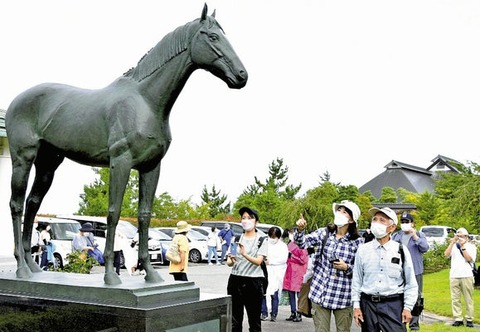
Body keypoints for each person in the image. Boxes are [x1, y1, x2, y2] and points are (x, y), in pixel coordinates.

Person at [295, 200, 364, 332]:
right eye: (339, 210)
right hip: (320, 292)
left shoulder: (357, 242)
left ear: (351, 220)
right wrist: (300, 230)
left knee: (343, 330)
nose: (340, 213)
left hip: (343, 296)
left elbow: (362, 271)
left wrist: (347, 267)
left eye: (345, 212)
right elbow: (302, 243)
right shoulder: (324, 233)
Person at [352, 207, 418, 332]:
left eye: (382, 220)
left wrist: (408, 307)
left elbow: (411, 283)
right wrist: (356, 306)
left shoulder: (401, 250)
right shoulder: (363, 250)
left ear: (392, 228)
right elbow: (357, 281)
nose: (376, 223)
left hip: (393, 305)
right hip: (368, 305)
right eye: (374, 219)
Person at [227, 207, 268, 332]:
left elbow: (259, 261)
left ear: (256, 221)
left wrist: (244, 254)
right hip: (235, 280)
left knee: (254, 320)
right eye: (243, 218)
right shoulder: (236, 239)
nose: (246, 220)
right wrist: (231, 260)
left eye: (250, 218)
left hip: (253, 282)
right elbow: (229, 262)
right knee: (235, 320)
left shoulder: (261, 239)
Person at [392, 212, 430, 330]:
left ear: (412, 223)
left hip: (415, 271)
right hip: (399, 271)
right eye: (402, 222)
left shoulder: (419, 234)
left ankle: (414, 324)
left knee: (416, 297)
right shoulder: (396, 236)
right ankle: (400, 321)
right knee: (399, 296)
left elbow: (425, 248)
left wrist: (415, 237)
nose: (404, 224)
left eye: (407, 222)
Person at [444, 227, 477, 328]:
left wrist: (462, 246)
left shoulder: (471, 247)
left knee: (468, 298)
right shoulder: (454, 246)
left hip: (466, 275)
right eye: (458, 236)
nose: (460, 238)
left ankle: (469, 318)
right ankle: (458, 318)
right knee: (455, 299)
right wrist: (452, 243)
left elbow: (468, 259)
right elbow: (446, 254)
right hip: (454, 275)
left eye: (462, 236)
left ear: (466, 237)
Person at [261, 226, 288, 322]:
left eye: (275, 237)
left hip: (277, 271)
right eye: (271, 237)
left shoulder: (283, 246)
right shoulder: (265, 243)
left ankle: (274, 313)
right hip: (265, 271)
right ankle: (264, 313)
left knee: (274, 293)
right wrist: (264, 261)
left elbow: (283, 259)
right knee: (264, 292)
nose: (273, 239)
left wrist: (271, 261)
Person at [283, 227, 309, 323]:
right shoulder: (290, 244)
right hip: (290, 271)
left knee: (299, 294)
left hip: (299, 272)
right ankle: (293, 312)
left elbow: (304, 260)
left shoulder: (303, 245)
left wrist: (292, 257)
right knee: (290, 293)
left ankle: (299, 313)